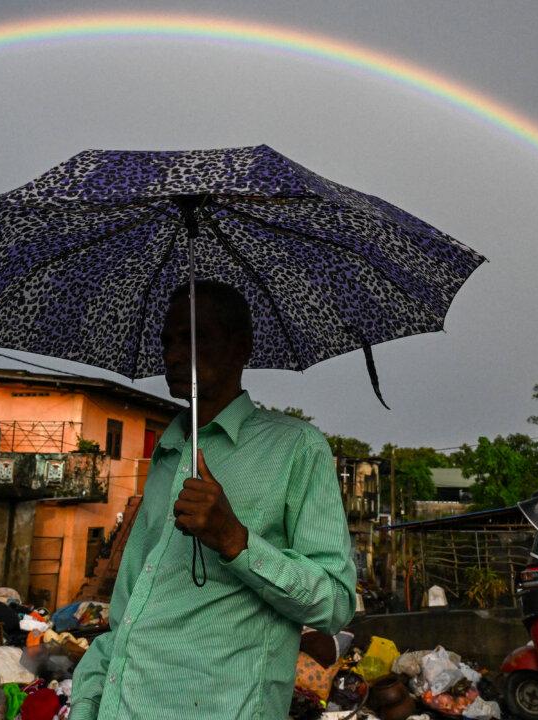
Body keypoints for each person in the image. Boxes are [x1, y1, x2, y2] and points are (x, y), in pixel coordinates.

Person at [70, 281, 357, 720]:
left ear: (241, 348)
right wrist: (89, 704)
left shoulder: (296, 448)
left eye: (195, 338)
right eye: (168, 341)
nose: (173, 354)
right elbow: (128, 615)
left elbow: (335, 601)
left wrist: (235, 541)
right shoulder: (167, 453)